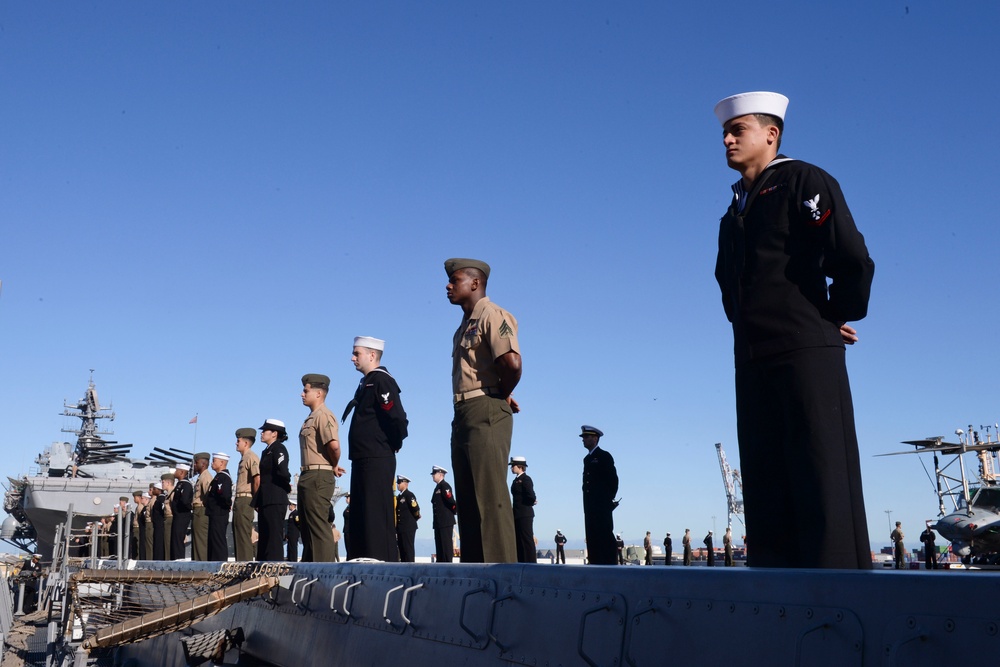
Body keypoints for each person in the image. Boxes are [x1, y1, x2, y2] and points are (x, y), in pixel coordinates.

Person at [713, 91, 875, 569]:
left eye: (737, 130)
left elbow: (851, 257)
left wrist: (831, 316)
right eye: (725, 132)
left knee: (822, 478)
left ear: (771, 134)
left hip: (805, 351)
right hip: (753, 356)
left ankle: (841, 596)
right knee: (765, 483)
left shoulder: (803, 180)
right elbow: (730, 283)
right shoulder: (733, 212)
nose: (726, 139)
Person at [445, 257, 522, 563]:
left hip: (485, 408)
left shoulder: (492, 314)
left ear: (475, 283)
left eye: (456, 280)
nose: (448, 286)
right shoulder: (464, 325)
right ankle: (475, 574)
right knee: (468, 499)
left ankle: (502, 580)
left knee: (490, 499)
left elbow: (512, 363)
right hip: (464, 411)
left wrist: (501, 394)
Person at [342, 336, 409, 562]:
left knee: (375, 516)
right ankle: (362, 563)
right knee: (361, 517)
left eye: (356, 353)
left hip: (376, 457)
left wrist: (394, 444)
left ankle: (382, 563)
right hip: (362, 457)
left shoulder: (382, 381)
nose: (352, 358)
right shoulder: (366, 382)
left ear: (372, 355)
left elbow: (397, 418)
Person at [298, 373, 345, 563]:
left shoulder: (323, 415)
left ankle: (324, 575)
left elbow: (334, 445)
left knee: (318, 527)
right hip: (309, 474)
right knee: (308, 528)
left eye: (305, 390)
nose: (302, 394)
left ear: (318, 393)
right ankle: (309, 574)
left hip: (318, 475)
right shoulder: (312, 417)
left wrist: (333, 464)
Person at [580, 425, 619, 565]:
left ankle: (609, 564)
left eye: (586, 437)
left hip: (602, 504)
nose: (583, 440)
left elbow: (613, 480)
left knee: (604, 534)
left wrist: (607, 500)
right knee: (592, 535)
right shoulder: (587, 459)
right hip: (590, 505)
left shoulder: (604, 456)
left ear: (595, 438)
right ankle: (595, 562)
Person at [255, 419, 291, 561]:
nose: (262, 433)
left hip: (275, 498)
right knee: (264, 535)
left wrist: (286, 486)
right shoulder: (267, 451)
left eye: (265, 431)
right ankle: (262, 565)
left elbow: (282, 472)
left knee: (274, 536)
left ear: (274, 433)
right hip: (266, 499)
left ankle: (274, 567)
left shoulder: (278, 449)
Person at [233, 427, 260, 561]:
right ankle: (240, 565)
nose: (236, 443)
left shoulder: (251, 457)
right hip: (240, 500)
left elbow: (257, 479)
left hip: (246, 499)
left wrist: (256, 500)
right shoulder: (244, 458)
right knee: (239, 534)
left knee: (244, 536)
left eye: (238, 440)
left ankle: (245, 567)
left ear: (246, 443)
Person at [508, 456, 537, 564]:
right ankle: (521, 562)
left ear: (520, 467)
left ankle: (530, 563)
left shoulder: (526, 479)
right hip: (517, 514)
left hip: (525, 513)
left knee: (526, 539)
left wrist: (531, 502)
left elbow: (531, 495)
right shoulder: (516, 480)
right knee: (519, 540)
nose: (511, 468)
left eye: (513, 466)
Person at [206, 452, 233, 561]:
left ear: (222, 463)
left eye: (214, 461)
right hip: (215, 513)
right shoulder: (218, 477)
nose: (212, 463)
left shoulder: (223, 478)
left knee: (218, 541)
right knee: (213, 540)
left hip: (219, 513)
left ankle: (219, 564)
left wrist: (226, 505)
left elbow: (225, 495)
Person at [430, 465, 457, 563]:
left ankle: (447, 565)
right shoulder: (438, 487)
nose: (432, 476)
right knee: (440, 546)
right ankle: (440, 564)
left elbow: (451, 501)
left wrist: (453, 512)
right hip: (439, 522)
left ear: (440, 474)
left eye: (434, 473)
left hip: (445, 521)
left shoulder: (444, 486)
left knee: (446, 546)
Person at [191, 452, 213, 561]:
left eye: (196, 463)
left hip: (201, 510)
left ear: (203, 464)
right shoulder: (201, 477)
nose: (194, 465)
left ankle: (202, 568)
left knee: (201, 543)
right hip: (197, 511)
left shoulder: (206, 477)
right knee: (197, 542)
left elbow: (209, 496)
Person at [170, 463, 194, 560]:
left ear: (182, 472)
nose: (175, 472)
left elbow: (185, 501)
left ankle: (179, 560)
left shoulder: (186, 485)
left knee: (178, 539)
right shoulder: (180, 484)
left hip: (182, 515)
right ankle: (175, 559)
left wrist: (186, 508)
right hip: (178, 515)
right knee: (175, 539)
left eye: (177, 470)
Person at [396, 475, 421, 563]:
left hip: (408, 526)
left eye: (399, 483)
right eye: (397, 483)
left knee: (408, 549)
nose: (397, 485)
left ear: (405, 484)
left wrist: (415, 518)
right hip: (401, 527)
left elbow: (416, 508)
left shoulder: (409, 495)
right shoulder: (399, 497)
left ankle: (410, 567)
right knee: (402, 550)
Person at [150, 482, 166, 560]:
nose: (153, 490)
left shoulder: (161, 499)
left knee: (159, 543)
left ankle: (159, 559)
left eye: (154, 489)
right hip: (157, 525)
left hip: (160, 525)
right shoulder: (159, 499)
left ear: (159, 490)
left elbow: (163, 510)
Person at [160, 473, 175, 559]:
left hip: (170, 519)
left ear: (168, 483)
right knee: (166, 543)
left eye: (163, 482)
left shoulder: (172, 494)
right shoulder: (168, 494)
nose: (162, 484)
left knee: (168, 543)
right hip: (167, 520)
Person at [130, 490, 144, 559]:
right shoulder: (138, 507)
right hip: (136, 528)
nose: (134, 499)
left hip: (137, 528)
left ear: (139, 497)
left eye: (135, 497)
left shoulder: (140, 507)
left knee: (138, 545)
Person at [341, 493, 351, 560]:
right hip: (346, 530)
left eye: (347, 497)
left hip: (350, 530)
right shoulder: (347, 507)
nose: (346, 499)